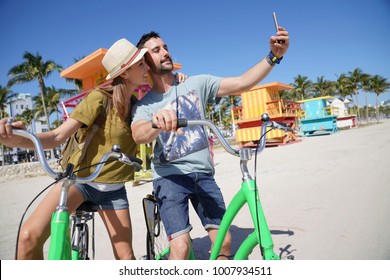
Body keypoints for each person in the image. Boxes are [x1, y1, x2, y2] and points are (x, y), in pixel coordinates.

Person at [131, 27, 290, 260]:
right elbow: (138, 134)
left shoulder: (197, 83)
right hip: (169, 177)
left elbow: (243, 83)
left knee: (225, 243)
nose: (165, 52)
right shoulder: (145, 105)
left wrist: (274, 56)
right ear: (145, 62)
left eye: (166, 47)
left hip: (203, 174)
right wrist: (155, 123)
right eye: (156, 50)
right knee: (181, 248)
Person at [0, 38, 150, 260]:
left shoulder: (139, 109)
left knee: (126, 259)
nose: (147, 67)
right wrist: (18, 140)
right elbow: (57, 136)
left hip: (114, 189)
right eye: (141, 64)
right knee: (28, 237)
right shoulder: (98, 98)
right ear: (125, 73)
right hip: (80, 182)